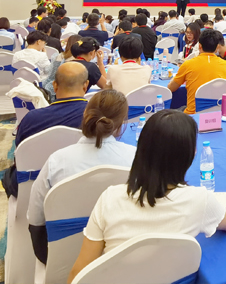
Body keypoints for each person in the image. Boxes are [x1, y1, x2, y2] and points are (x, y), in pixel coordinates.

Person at [68, 110, 226, 281]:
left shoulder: (109, 199)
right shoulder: (200, 200)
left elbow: (79, 273)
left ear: (141, 149)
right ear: (190, 154)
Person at [27, 89, 136, 264]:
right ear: (122, 123)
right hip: (120, 259)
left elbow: (35, 219)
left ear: (85, 114)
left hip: (61, 261)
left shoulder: (57, 161)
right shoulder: (135, 159)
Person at [2, 63, 90, 199]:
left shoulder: (31, 118)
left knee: (9, 174)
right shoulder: (97, 118)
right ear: (86, 85)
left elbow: (19, 153)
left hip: (33, 191)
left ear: (54, 86)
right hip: (82, 187)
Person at [168, 29, 226, 114]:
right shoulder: (225, 64)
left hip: (192, 114)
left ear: (199, 46)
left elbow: (171, 88)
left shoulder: (188, 64)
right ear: (217, 48)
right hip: (216, 113)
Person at [42, 34, 80, 100]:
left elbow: (50, 73)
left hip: (50, 86)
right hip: (64, 89)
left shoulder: (59, 56)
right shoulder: (75, 60)